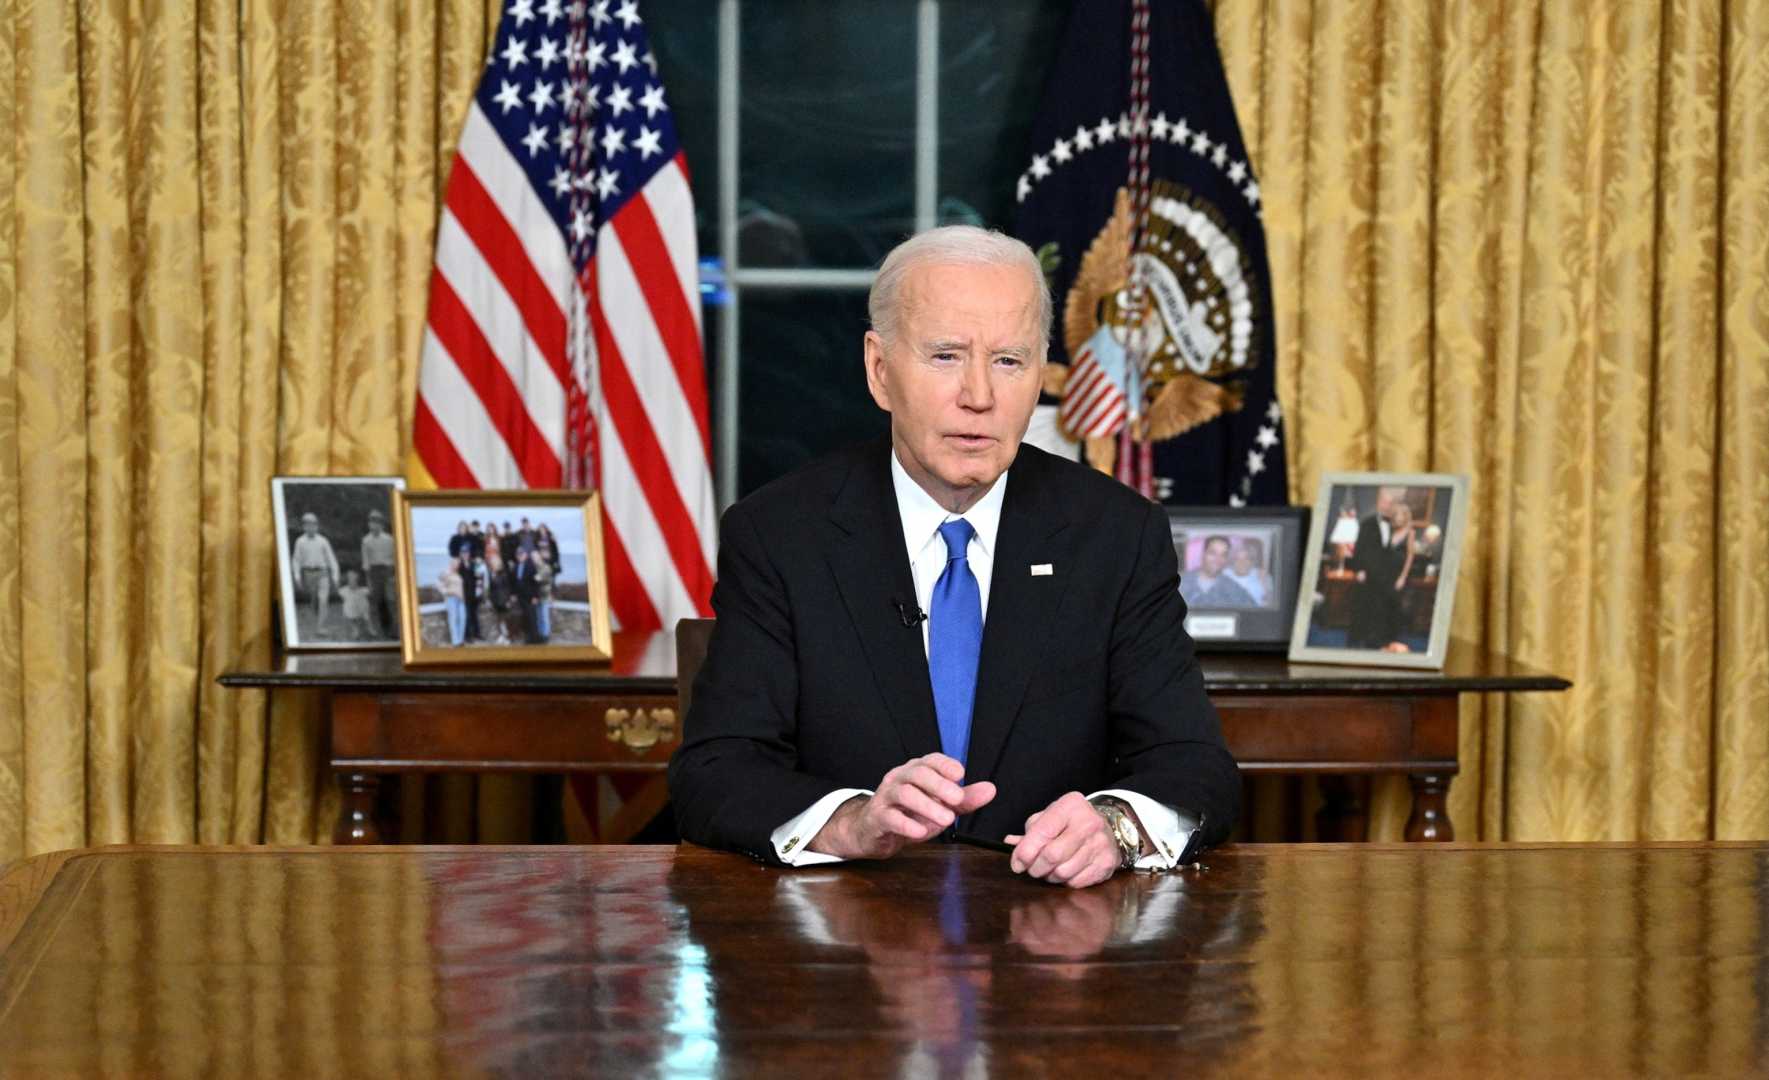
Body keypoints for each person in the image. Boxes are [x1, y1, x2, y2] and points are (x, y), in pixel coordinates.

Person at [669, 226, 1239, 890]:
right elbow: (713, 772)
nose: (978, 395)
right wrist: (850, 821)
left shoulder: (1115, 535)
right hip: (844, 945)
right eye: (945, 356)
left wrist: (1111, 826)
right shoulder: (779, 535)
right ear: (879, 371)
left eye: (1008, 360)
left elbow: (1196, 767)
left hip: (1057, 950)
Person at [1347, 487, 1412, 649]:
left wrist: (1401, 577)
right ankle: (1358, 641)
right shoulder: (1366, 523)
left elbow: (1404, 554)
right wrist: (1359, 570)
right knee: (1365, 610)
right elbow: (1359, 549)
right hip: (1369, 574)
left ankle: (1382, 642)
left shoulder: (1397, 524)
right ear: (1378, 502)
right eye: (1384, 501)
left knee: (1384, 611)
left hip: (1389, 577)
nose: (1386, 505)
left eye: (1390, 502)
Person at [290, 512, 341, 629]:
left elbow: (331, 559)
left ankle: (321, 626)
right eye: (307, 525)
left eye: (313, 525)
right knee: (314, 601)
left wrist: (335, 576)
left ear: (317, 526)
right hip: (309, 574)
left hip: (323, 573)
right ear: (304, 527)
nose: (310, 527)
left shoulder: (323, 541)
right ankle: (318, 618)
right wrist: (297, 576)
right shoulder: (300, 541)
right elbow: (296, 560)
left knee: (323, 599)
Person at [1179, 536, 1256, 608]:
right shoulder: (1179, 583)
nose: (1218, 559)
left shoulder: (1234, 588)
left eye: (1223, 555)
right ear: (1203, 554)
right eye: (1213, 553)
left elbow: (1255, 613)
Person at [360, 509, 397, 637]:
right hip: (374, 571)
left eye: (377, 523)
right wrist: (368, 579)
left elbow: (394, 557)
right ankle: (384, 628)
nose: (374, 525)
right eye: (371, 522)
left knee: (390, 599)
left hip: (387, 571)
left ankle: (394, 630)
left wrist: (393, 574)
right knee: (379, 600)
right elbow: (366, 562)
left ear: (381, 524)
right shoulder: (366, 540)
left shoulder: (389, 539)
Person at [1223, 541, 1269, 607]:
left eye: (1246, 558)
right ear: (1232, 562)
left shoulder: (1261, 575)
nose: (1242, 562)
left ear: (1252, 561)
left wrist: (1264, 584)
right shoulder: (1224, 574)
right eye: (1237, 559)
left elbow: (1268, 602)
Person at [337, 569, 374, 641]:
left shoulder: (362, 590)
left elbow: (370, 590)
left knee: (366, 617)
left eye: (354, 579)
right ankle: (356, 630)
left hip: (362, 607)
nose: (352, 581)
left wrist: (368, 579)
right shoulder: (344, 590)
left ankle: (370, 628)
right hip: (351, 608)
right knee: (352, 618)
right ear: (347, 580)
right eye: (350, 579)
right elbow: (341, 594)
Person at [438, 555, 467, 646]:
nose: (456, 565)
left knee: (462, 618)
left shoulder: (458, 574)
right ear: (451, 563)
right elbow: (439, 585)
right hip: (451, 599)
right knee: (453, 619)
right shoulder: (446, 573)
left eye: (458, 564)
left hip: (461, 599)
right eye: (455, 563)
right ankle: (456, 642)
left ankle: (461, 640)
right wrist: (448, 592)